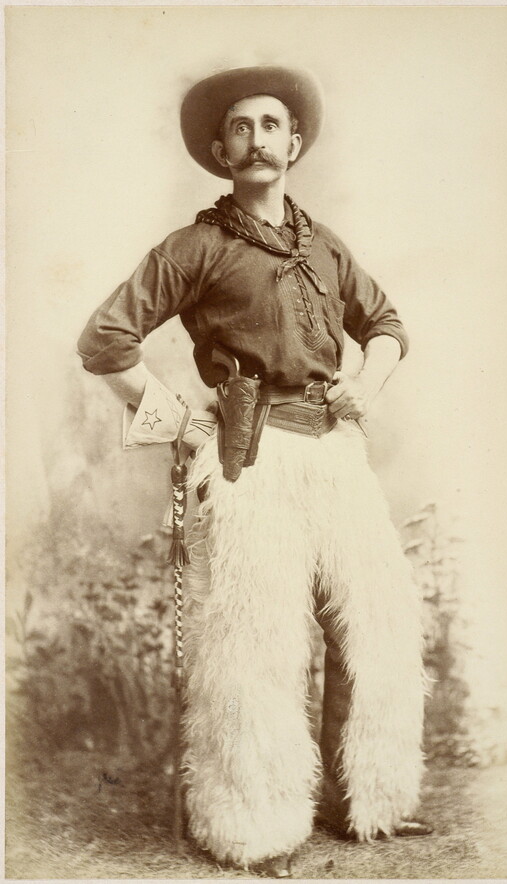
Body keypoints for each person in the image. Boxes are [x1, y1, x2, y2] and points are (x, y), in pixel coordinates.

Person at [77, 65, 432, 877]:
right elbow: (104, 341)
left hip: (335, 456)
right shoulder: (195, 247)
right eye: (240, 127)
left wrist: (367, 383)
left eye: (271, 125)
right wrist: (180, 422)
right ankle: (253, 825)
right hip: (252, 461)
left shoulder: (324, 244)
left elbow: (385, 324)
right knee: (258, 644)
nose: (257, 139)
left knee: (375, 626)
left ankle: (367, 802)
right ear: (220, 151)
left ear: (294, 144)